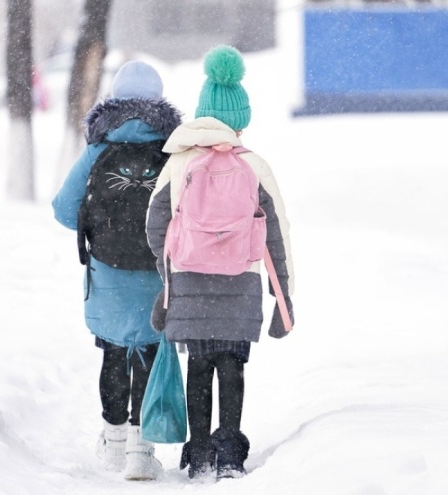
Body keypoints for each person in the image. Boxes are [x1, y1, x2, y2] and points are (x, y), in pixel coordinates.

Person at [145, 45, 295, 480]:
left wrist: (170, 269)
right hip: (241, 282)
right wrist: (283, 296)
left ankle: (199, 453)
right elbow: (278, 237)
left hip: (190, 280)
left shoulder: (179, 162)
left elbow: (155, 225)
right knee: (232, 365)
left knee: (199, 365)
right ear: (241, 118)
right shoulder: (255, 165)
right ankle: (230, 450)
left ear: (202, 113)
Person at [51, 60, 182, 480]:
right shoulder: (174, 150)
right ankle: (141, 451)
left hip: (106, 268)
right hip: (156, 269)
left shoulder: (98, 149)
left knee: (112, 350)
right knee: (146, 350)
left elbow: (63, 209)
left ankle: (112, 441)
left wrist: (100, 228)